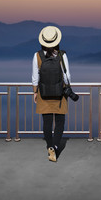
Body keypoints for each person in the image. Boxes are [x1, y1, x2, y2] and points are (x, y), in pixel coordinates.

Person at [32, 26, 71, 162]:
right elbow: (67, 77)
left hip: (43, 93)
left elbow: (35, 77)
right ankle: (55, 145)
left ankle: (49, 146)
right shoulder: (62, 55)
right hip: (60, 94)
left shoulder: (37, 56)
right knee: (60, 123)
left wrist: (35, 92)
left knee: (47, 123)